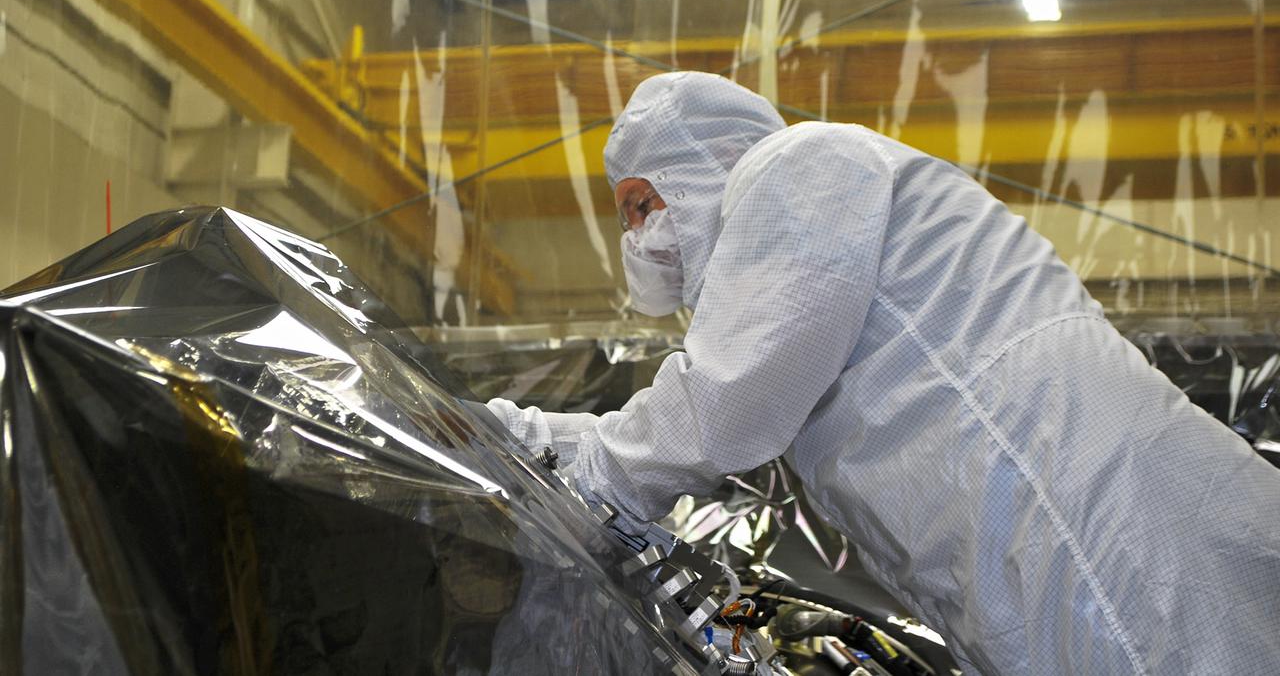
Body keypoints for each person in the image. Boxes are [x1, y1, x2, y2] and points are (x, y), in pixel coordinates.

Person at [487, 70, 1280, 675]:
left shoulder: (796, 168)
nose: (640, 234)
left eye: (639, 207)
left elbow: (720, 409)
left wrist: (531, 440)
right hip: (1069, 528)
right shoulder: (813, 203)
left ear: (683, 173)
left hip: (1098, 524)